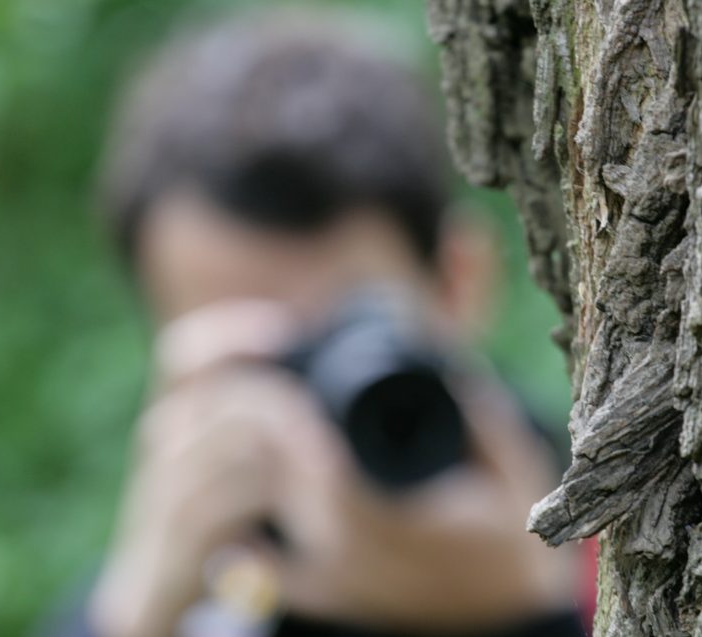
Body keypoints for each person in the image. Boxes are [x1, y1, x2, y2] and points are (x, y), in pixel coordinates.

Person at [48, 8, 588, 637]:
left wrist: (536, 608)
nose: (314, 406)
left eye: (348, 337)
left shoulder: (617, 505)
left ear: (457, 284)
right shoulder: (192, 593)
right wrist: (140, 609)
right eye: (261, 357)